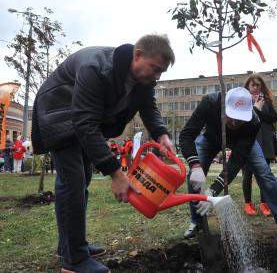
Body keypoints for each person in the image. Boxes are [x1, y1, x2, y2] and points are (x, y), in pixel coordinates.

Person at [31, 34, 175, 273]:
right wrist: (116, 174)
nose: (157, 76)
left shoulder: (143, 80)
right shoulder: (95, 67)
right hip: (59, 113)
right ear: (137, 55)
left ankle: (70, 246)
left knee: (82, 179)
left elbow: (148, 107)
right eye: (155, 68)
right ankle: (74, 261)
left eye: (161, 72)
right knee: (72, 180)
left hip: (84, 119)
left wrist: (162, 134)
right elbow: (85, 123)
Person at [179, 87, 277, 250]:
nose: (234, 123)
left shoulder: (253, 122)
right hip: (211, 138)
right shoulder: (210, 103)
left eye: (240, 119)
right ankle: (197, 221)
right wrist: (195, 166)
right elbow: (186, 135)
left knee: (264, 173)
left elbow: (237, 160)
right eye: (231, 117)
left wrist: (214, 190)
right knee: (195, 174)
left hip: (242, 143)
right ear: (224, 107)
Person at [241, 74, 277, 216]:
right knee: (247, 175)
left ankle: (264, 203)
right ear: (248, 87)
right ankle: (248, 204)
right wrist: (255, 109)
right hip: (248, 141)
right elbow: (242, 118)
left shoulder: (266, 100)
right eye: (253, 85)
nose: (256, 87)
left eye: (258, 85)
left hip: (265, 142)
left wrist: (260, 110)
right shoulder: (243, 101)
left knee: (265, 174)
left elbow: (274, 117)